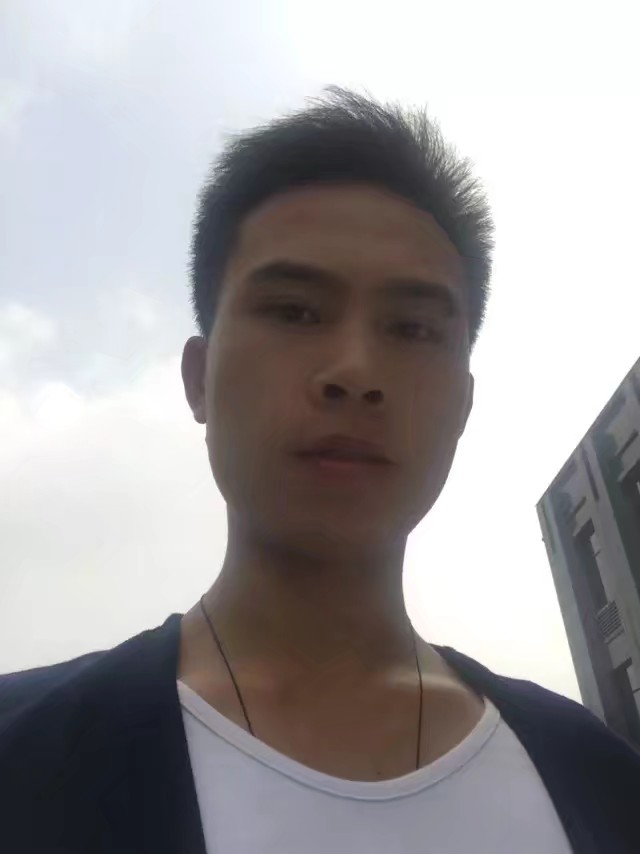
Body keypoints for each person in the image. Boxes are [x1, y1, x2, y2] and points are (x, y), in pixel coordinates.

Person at [1, 87, 639, 854]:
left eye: (412, 328)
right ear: (199, 379)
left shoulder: (600, 782)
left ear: (463, 405)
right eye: (295, 312)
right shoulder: (25, 759)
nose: (355, 371)